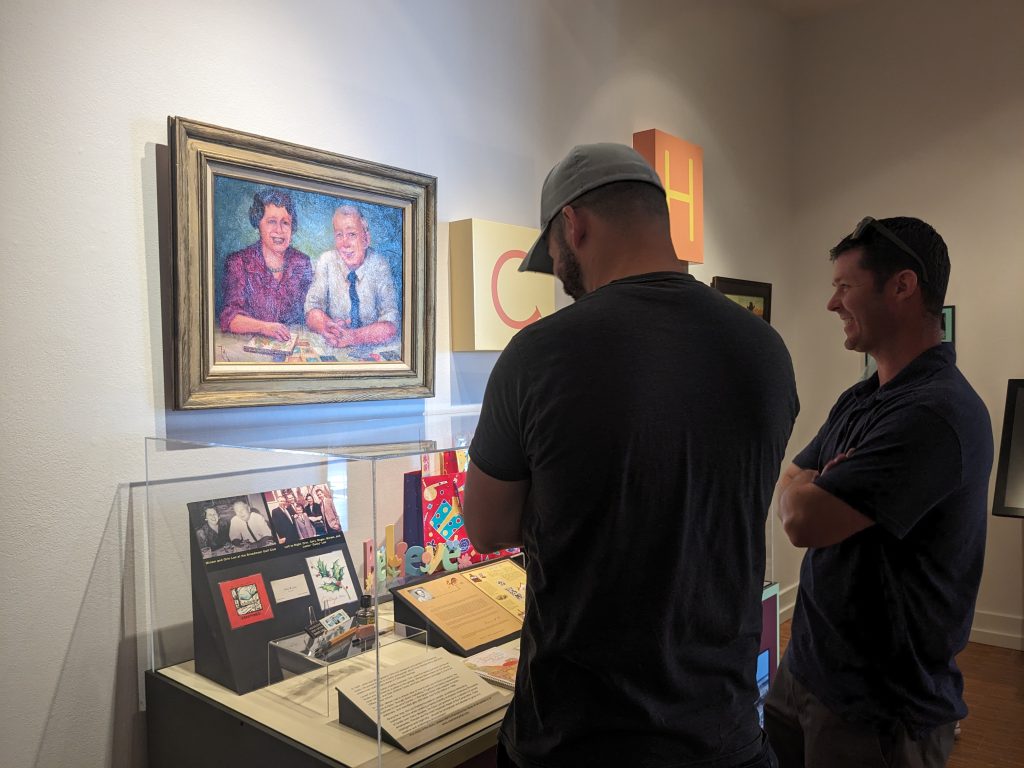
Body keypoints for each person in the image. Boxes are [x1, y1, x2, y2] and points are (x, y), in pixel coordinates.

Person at [461, 143, 798, 768]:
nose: (562, 272)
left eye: (556, 256)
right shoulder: (765, 352)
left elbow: (485, 527)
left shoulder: (538, 355)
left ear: (573, 225)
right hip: (724, 735)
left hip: (576, 739)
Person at [764, 217, 993, 768]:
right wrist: (812, 485)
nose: (831, 304)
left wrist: (813, 487)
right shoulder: (862, 398)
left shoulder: (935, 415)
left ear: (902, 286)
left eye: (845, 287)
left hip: (879, 711)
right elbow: (790, 479)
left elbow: (801, 524)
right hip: (807, 672)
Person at [219, 188, 313, 340]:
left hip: (293, 348)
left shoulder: (302, 263)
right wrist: (264, 327)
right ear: (258, 224)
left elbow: (310, 311)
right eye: (271, 222)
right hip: (247, 351)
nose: (279, 230)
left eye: (285, 223)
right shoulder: (238, 262)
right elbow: (229, 318)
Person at [304, 205, 400, 349]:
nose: (345, 244)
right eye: (339, 235)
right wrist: (327, 325)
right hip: (334, 344)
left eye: (352, 234)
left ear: (366, 239)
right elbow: (311, 309)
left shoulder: (379, 265)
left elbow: (391, 324)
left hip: (370, 347)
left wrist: (353, 337)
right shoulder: (326, 261)